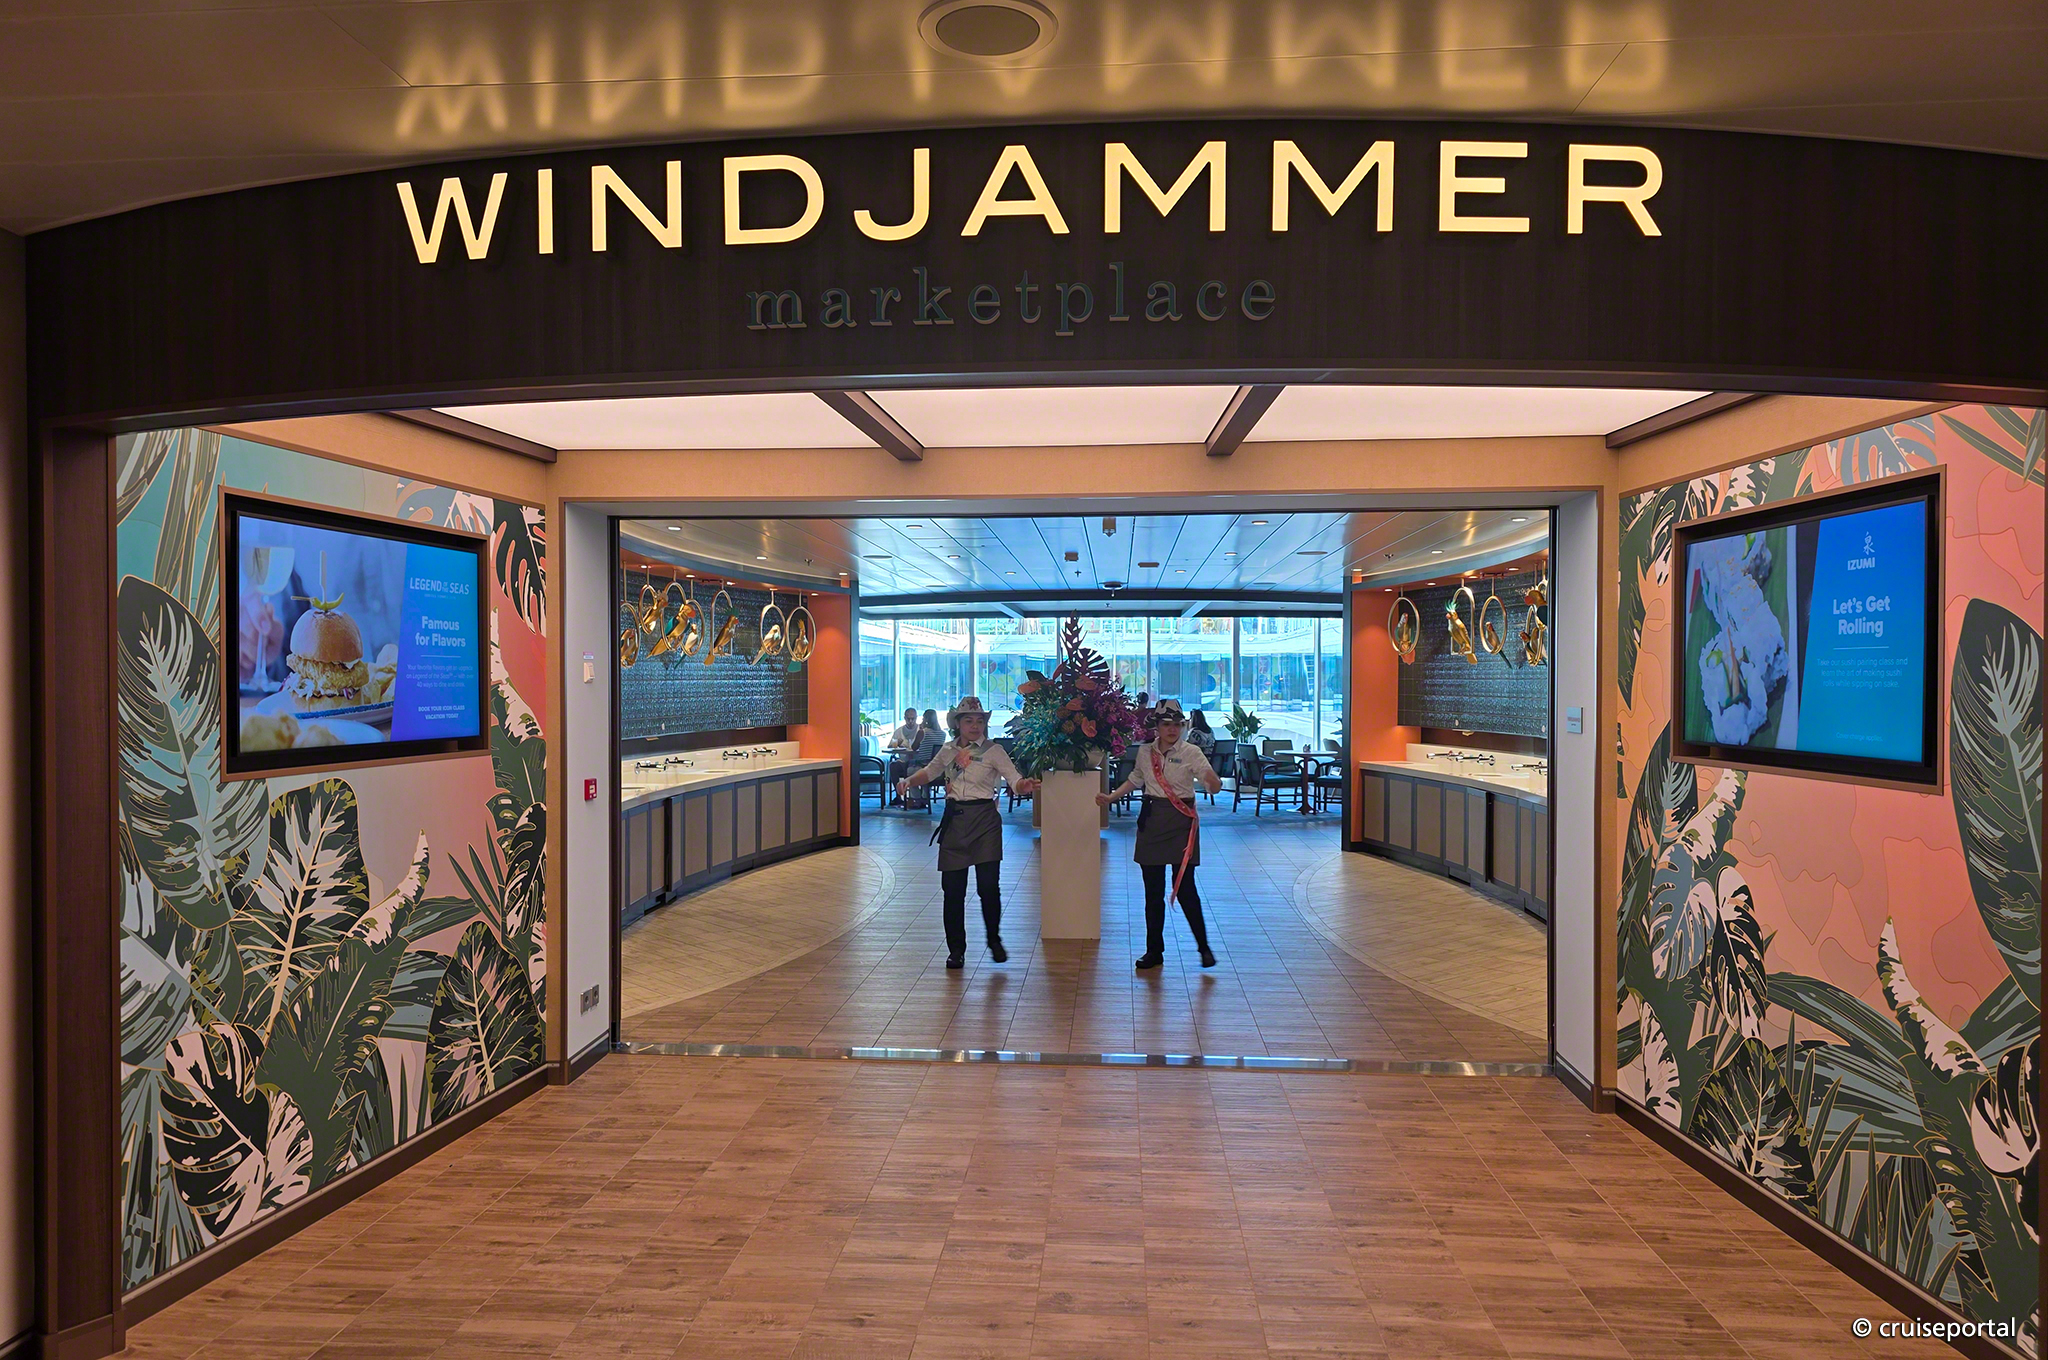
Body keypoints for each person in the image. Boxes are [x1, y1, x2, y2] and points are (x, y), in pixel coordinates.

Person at [898, 697, 1038, 969]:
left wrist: (1024, 786)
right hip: (955, 821)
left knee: (988, 887)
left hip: (985, 821)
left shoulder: (994, 750)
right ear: (958, 724)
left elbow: (1014, 779)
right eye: (969, 721)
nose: (975, 726)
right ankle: (956, 950)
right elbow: (930, 772)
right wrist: (909, 781)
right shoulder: (948, 750)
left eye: (980, 721)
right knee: (953, 891)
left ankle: (994, 939)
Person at [1098, 699, 1222, 969]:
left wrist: (1213, 783)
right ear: (1157, 726)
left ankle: (1204, 947)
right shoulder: (1145, 752)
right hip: (1153, 819)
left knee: (1186, 888)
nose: (1172, 729)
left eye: (1177, 724)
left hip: (1181, 821)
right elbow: (1136, 778)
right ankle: (1154, 951)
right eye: (1167, 724)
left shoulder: (1191, 752)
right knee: (1152, 892)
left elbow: (1209, 779)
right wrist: (1111, 797)